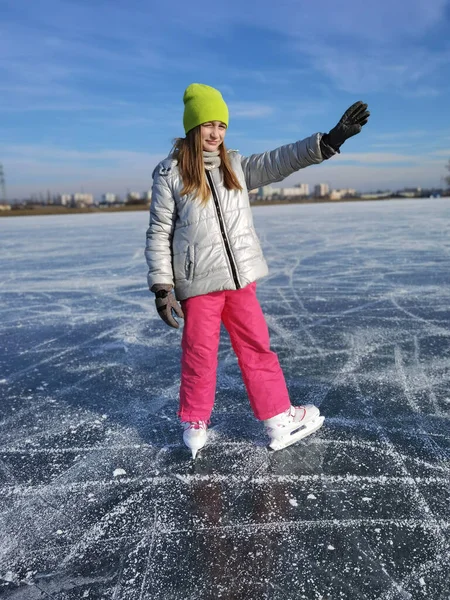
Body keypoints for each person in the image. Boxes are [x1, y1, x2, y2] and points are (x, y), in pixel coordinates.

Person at [145, 83, 370, 459]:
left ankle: (278, 417)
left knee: (257, 347)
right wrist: (162, 287)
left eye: (221, 125)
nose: (215, 133)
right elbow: (159, 231)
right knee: (199, 353)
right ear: (192, 127)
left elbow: (280, 160)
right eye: (207, 125)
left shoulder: (236, 166)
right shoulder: (170, 174)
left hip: (239, 281)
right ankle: (195, 421)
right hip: (198, 282)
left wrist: (328, 141)